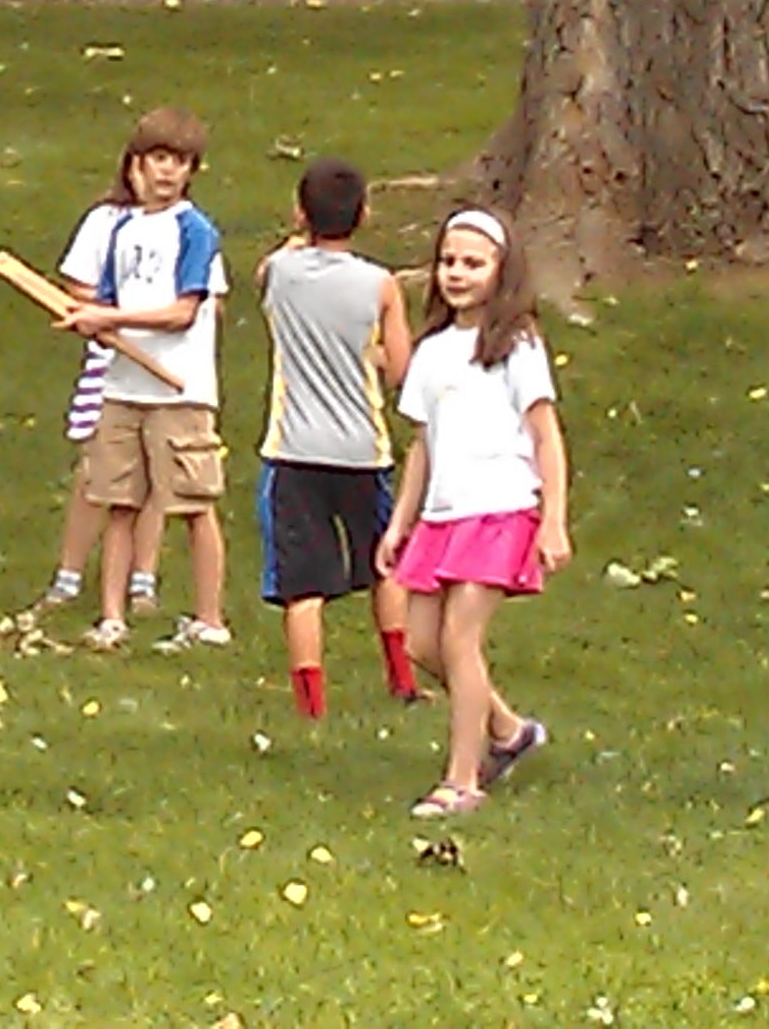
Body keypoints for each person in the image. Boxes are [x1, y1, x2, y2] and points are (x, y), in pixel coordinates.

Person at [376, 206, 570, 818]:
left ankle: (462, 781)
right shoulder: (432, 351)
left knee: (461, 640)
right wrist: (401, 523)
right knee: (423, 644)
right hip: (443, 515)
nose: (457, 273)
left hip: (500, 508)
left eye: (473, 263)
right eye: (448, 262)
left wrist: (553, 519)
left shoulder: (516, 345)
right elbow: (423, 445)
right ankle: (509, 731)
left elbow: (546, 436)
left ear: (501, 271)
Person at [57, 107, 230, 652]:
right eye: (158, 158)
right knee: (120, 502)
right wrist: (93, 321)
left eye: (180, 161)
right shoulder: (121, 229)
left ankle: (210, 620)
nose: (167, 171)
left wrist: (109, 317)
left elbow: (182, 312)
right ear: (136, 165)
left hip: (180, 390)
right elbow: (107, 303)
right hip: (122, 388)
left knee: (194, 504)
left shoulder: (195, 230)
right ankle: (113, 617)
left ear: (192, 171)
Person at [253, 158, 420, 718]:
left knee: (303, 587)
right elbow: (400, 369)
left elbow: (266, 270)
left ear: (300, 212)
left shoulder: (279, 273)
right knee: (384, 564)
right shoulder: (380, 285)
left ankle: (311, 703)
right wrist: (370, 355)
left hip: (294, 451)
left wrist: (298, 235)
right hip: (362, 450)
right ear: (364, 214)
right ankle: (401, 678)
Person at [32, 166, 166, 617]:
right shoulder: (106, 220)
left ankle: (142, 580)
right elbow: (77, 283)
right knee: (96, 471)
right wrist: (111, 313)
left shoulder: (183, 225)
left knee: (156, 471)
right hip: (111, 364)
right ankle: (68, 577)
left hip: (161, 362)